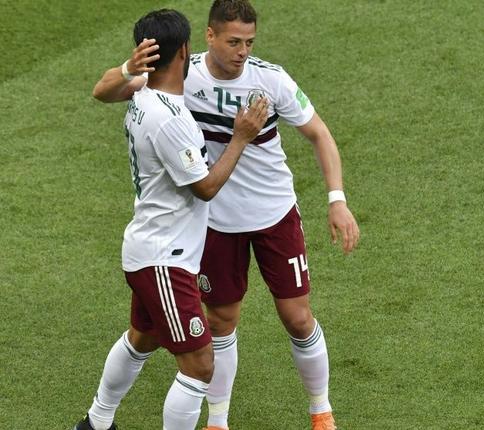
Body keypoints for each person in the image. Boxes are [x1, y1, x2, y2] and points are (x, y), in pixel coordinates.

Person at [93, 2, 360, 429]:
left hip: (273, 214)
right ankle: (218, 420)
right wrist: (127, 67)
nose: (242, 51)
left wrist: (337, 199)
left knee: (297, 317)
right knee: (221, 322)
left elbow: (319, 134)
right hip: (214, 222)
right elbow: (104, 91)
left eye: (249, 42)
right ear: (209, 37)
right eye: (233, 41)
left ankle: (321, 410)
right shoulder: (183, 75)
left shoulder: (270, 80)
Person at [75, 8, 269, 430]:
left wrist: (129, 67)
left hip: (149, 247)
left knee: (141, 339)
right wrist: (241, 137)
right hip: (166, 258)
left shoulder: (141, 91)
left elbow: (101, 90)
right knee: (200, 366)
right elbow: (205, 187)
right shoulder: (170, 119)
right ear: (184, 50)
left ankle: (96, 422)